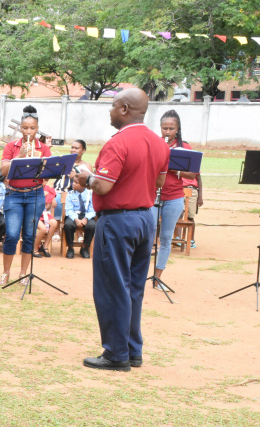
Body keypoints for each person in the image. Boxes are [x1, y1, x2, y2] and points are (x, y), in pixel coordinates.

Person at [75, 88, 169, 372]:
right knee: (133, 288)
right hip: (145, 218)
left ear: (125, 109)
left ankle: (116, 354)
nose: (110, 111)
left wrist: (85, 177)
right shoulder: (159, 143)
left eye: (113, 106)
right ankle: (132, 350)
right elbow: (161, 182)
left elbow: (103, 185)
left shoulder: (117, 143)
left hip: (117, 220)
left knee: (111, 288)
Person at [0, 105, 52, 286]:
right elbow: (4, 171)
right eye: (26, 128)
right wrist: (19, 156)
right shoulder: (12, 146)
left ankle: (23, 274)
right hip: (14, 195)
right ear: (21, 128)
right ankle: (6, 273)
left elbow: (49, 174)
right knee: (12, 234)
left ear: (37, 129)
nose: (29, 131)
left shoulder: (43, 148)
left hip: (35, 195)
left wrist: (43, 163)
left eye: (33, 128)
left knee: (29, 235)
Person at [152, 109, 200, 290]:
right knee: (148, 236)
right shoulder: (155, 144)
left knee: (165, 238)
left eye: (171, 128)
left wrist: (175, 168)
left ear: (177, 129)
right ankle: (139, 277)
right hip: (153, 195)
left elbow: (192, 173)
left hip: (173, 197)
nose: (167, 132)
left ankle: (158, 278)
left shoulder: (184, 147)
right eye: (164, 128)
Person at [62, 177, 96, 258]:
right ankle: (70, 247)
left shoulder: (90, 194)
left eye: (76, 183)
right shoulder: (70, 194)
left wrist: (86, 218)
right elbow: (69, 210)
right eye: (73, 182)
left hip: (86, 215)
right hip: (73, 215)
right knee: (68, 225)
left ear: (84, 184)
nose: (73, 184)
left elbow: (93, 210)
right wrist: (76, 219)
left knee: (92, 226)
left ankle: (84, 247)